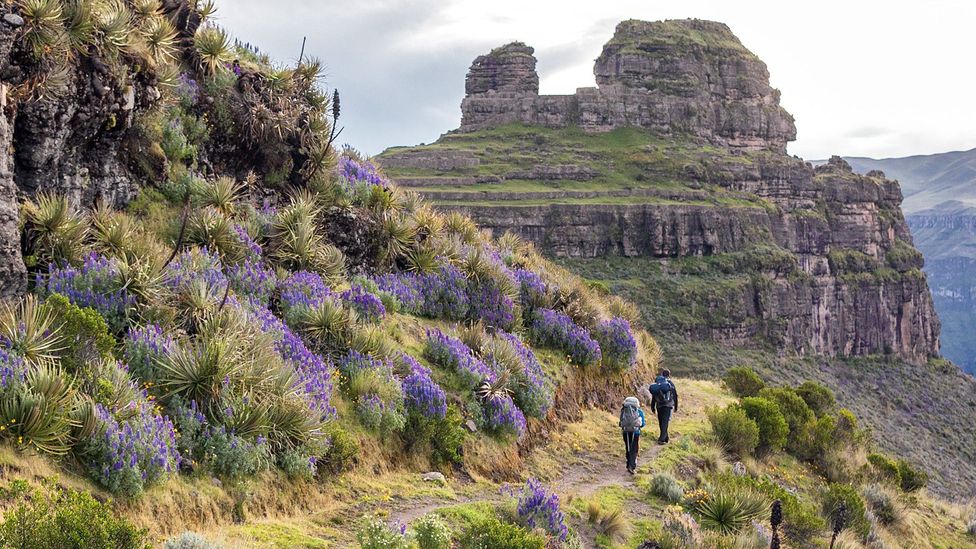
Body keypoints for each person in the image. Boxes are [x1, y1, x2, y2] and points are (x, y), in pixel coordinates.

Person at [650, 369, 678, 444]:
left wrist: (652, 406)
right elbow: (675, 395)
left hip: (659, 405)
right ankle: (662, 439)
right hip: (668, 405)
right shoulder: (670, 383)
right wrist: (676, 406)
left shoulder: (658, 383)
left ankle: (665, 437)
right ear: (669, 375)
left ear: (662, 374)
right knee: (665, 421)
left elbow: (654, 396)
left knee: (661, 421)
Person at [618, 396, 645, 474]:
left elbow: (621, 422)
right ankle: (632, 466)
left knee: (628, 447)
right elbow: (642, 424)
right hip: (635, 432)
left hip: (626, 431)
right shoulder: (639, 411)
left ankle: (628, 463)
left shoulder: (623, 411)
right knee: (634, 448)